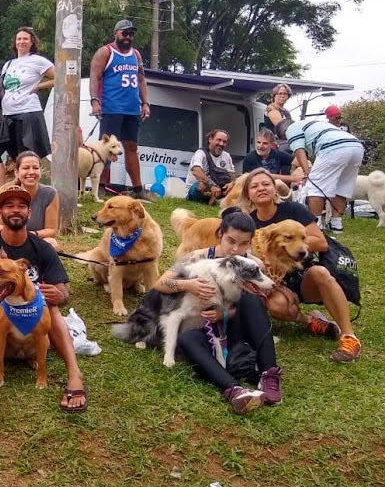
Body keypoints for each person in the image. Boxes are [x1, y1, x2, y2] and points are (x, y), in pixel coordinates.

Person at [0, 183, 86, 411]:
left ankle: (74, 374)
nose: (15, 210)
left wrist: (57, 294)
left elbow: (63, 292)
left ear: (29, 214)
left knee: (51, 307)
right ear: (0, 213)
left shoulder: (42, 248)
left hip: (35, 316)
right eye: (9, 205)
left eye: (21, 206)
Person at [156, 209, 282, 414]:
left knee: (250, 301)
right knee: (187, 339)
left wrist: (225, 314)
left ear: (250, 243)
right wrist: (188, 285)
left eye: (243, 244)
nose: (235, 249)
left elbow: (257, 308)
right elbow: (160, 283)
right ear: (220, 235)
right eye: (231, 241)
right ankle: (233, 390)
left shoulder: (253, 265)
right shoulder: (197, 257)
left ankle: (269, 375)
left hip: (236, 328)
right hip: (207, 330)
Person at [236, 168, 362, 362]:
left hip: (302, 275)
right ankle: (311, 321)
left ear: (275, 189)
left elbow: (321, 242)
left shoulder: (293, 210)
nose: (261, 188)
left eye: (266, 184)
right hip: (272, 283)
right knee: (277, 306)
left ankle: (349, 337)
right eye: (254, 186)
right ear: (248, 194)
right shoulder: (248, 222)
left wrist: (292, 244)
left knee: (320, 272)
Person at [89, 19, 153, 200]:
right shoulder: (105, 52)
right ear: (116, 33)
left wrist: (145, 103)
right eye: (125, 33)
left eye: (131, 34)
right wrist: (95, 101)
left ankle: (138, 189)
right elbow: (94, 76)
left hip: (132, 109)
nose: (128, 37)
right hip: (111, 107)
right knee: (106, 148)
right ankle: (100, 187)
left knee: (131, 147)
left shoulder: (136, 55)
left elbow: (141, 80)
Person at [0, 27, 54, 191]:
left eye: (25, 39)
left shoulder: (38, 61)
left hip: (28, 114)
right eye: (19, 39)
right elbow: (6, 88)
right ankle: (4, 192)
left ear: (32, 42)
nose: (21, 42)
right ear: (15, 43)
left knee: (26, 159)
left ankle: (27, 194)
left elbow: (60, 77)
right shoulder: (9, 64)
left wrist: (40, 86)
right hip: (8, 116)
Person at [284, 119, 365, 232]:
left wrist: (307, 172)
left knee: (314, 188)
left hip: (334, 147)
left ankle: (316, 226)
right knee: (341, 188)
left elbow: (299, 151)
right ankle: (337, 225)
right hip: (356, 146)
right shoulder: (315, 124)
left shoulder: (291, 129)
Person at [0, 150, 59, 248]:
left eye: (35, 168)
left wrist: (30, 235)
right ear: (16, 172)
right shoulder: (5, 192)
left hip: (35, 241)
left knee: (51, 243)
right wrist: (16, 234)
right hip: (8, 240)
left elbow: (51, 230)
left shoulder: (50, 194)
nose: (31, 172)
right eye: (26, 168)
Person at [186, 129, 236, 204]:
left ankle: (217, 200)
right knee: (202, 185)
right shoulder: (200, 153)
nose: (221, 144)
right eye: (218, 140)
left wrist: (232, 183)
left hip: (218, 189)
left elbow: (232, 174)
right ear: (210, 139)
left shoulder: (226, 156)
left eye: (224, 142)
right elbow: (196, 171)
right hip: (198, 190)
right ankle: (212, 201)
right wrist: (212, 186)